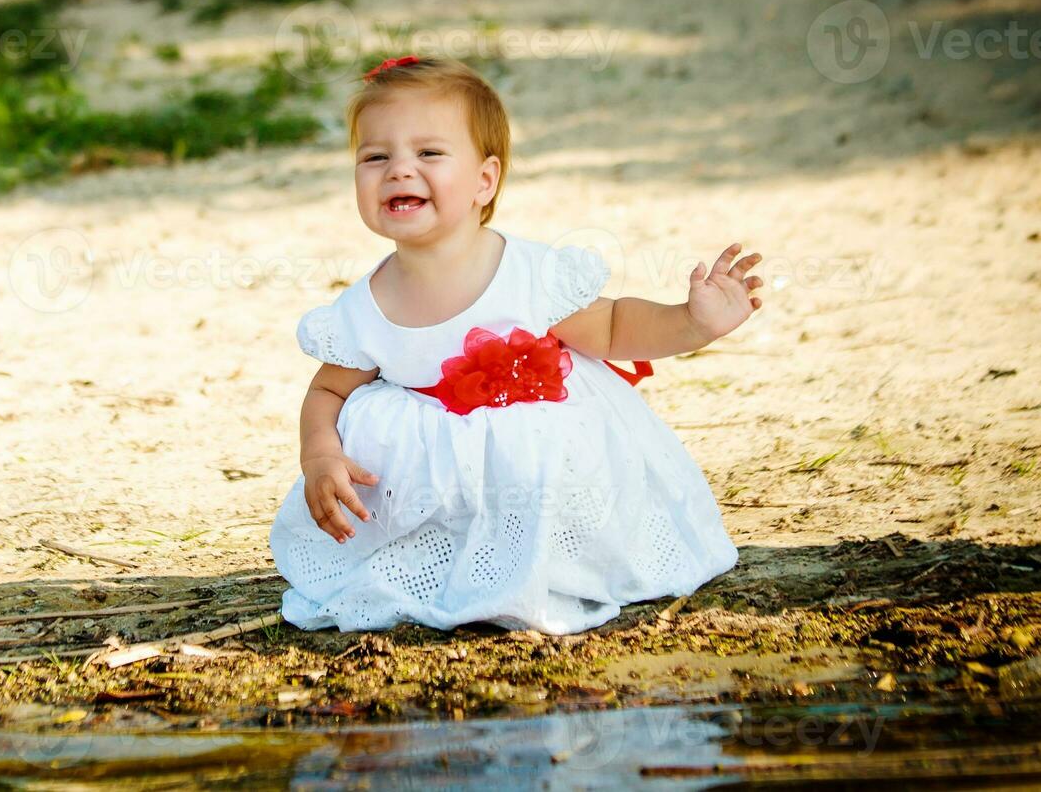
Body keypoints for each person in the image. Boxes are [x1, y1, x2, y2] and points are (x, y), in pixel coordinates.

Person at [269, 55, 762, 634]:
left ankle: (560, 564)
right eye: (376, 157)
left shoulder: (529, 272)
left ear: (486, 180)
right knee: (385, 453)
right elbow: (329, 389)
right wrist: (320, 456)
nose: (399, 170)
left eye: (429, 153)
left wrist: (691, 322)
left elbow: (611, 329)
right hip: (441, 479)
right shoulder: (363, 307)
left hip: (540, 455)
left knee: (541, 466)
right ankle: (445, 565)